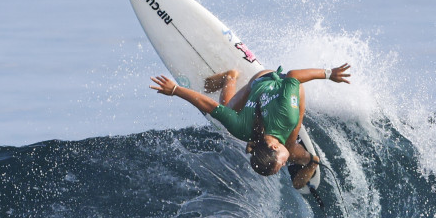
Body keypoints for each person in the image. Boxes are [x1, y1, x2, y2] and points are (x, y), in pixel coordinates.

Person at [150, 63, 351, 189]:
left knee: (291, 145)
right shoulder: (241, 130)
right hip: (260, 100)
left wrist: (329, 73)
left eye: (281, 163)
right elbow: (210, 107)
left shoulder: (285, 117)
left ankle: (230, 76)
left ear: (273, 147)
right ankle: (311, 161)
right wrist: (174, 90)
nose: (283, 165)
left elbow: (294, 76)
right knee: (227, 110)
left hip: (265, 80)